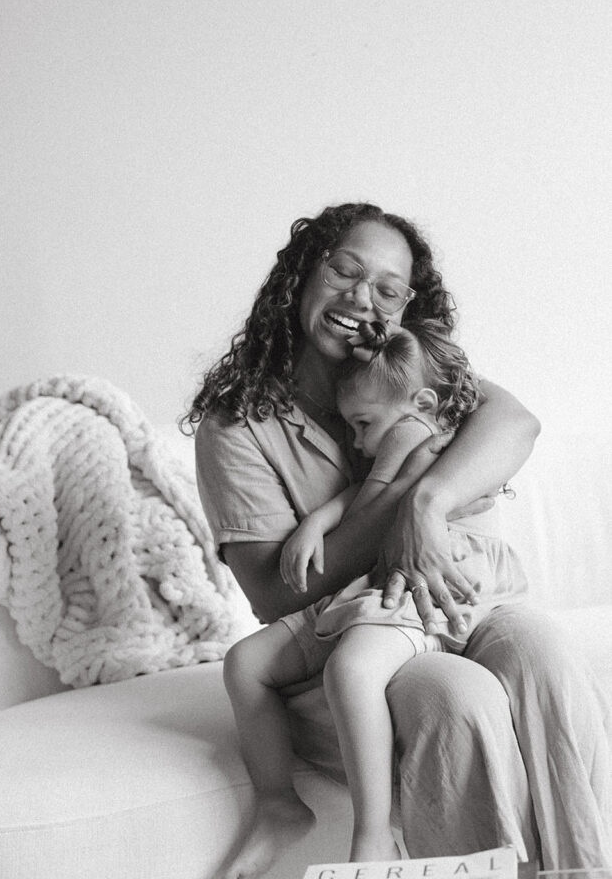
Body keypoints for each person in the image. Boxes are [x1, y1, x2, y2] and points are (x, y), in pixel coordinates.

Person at [188, 202, 612, 872]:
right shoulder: (238, 423)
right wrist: (396, 515)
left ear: (406, 305)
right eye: (344, 271)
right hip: (343, 640)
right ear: (301, 276)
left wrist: (426, 500)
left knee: (544, 650)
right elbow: (273, 594)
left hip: (457, 604)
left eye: (386, 288)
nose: (362, 298)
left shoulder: (414, 375)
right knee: (458, 697)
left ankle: (580, 868)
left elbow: (515, 423)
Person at [220, 316, 530, 874]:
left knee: (352, 670)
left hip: (424, 578)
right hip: (375, 581)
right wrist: (317, 521)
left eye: (363, 424)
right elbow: (369, 492)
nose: (357, 442)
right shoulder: (406, 426)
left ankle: (373, 835)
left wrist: (327, 520)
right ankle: (278, 802)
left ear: (423, 401)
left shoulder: (421, 431)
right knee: (245, 662)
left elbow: (374, 501)